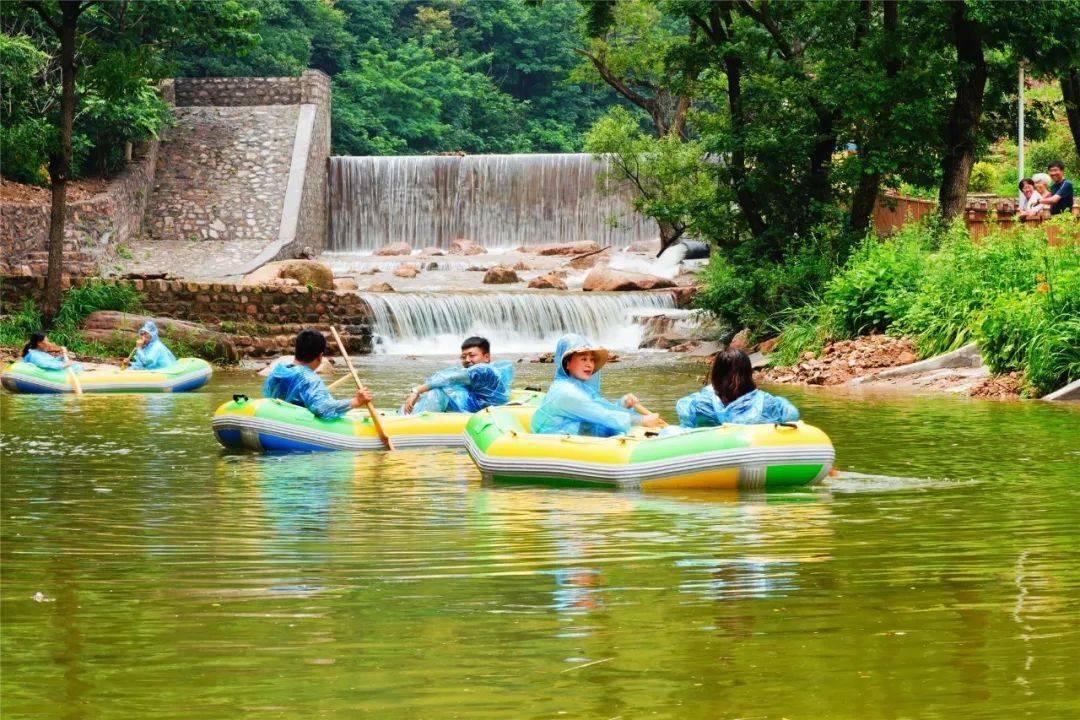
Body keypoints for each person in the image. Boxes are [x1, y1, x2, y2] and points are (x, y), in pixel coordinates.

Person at [531, 333, 663, 437]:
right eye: (583, 359)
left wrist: (623, 404)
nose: (589, 364)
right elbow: (602, 415)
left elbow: (598, 410)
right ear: (567, 364)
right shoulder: (566, 392)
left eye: (592, 360)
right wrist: (641, 420)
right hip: (557, 442)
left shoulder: (579, 388)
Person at [264, 329, 372, 420]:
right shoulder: (310, 380)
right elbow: (323, 409)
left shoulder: (278, 371)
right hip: (297, 424)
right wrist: (355, 401)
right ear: (320, 357)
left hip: (276, 418)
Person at [676, 349, 799, 428]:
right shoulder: (768, 403)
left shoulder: (701, 403)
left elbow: (686, 421)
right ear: (748, 374)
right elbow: (792, 415)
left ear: (716, 375)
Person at [402, 336, 513, 414]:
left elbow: (448, 377)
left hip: (484, 409)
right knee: (449, 386)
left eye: (472, 355)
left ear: (486, 357)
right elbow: (453, 376)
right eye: (463, 357)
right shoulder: (491, 369)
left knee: (439, 392)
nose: (467, 360)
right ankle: (411, 411)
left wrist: (416, 390)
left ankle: (409, 418)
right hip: (482, 404)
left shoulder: (483, 370)